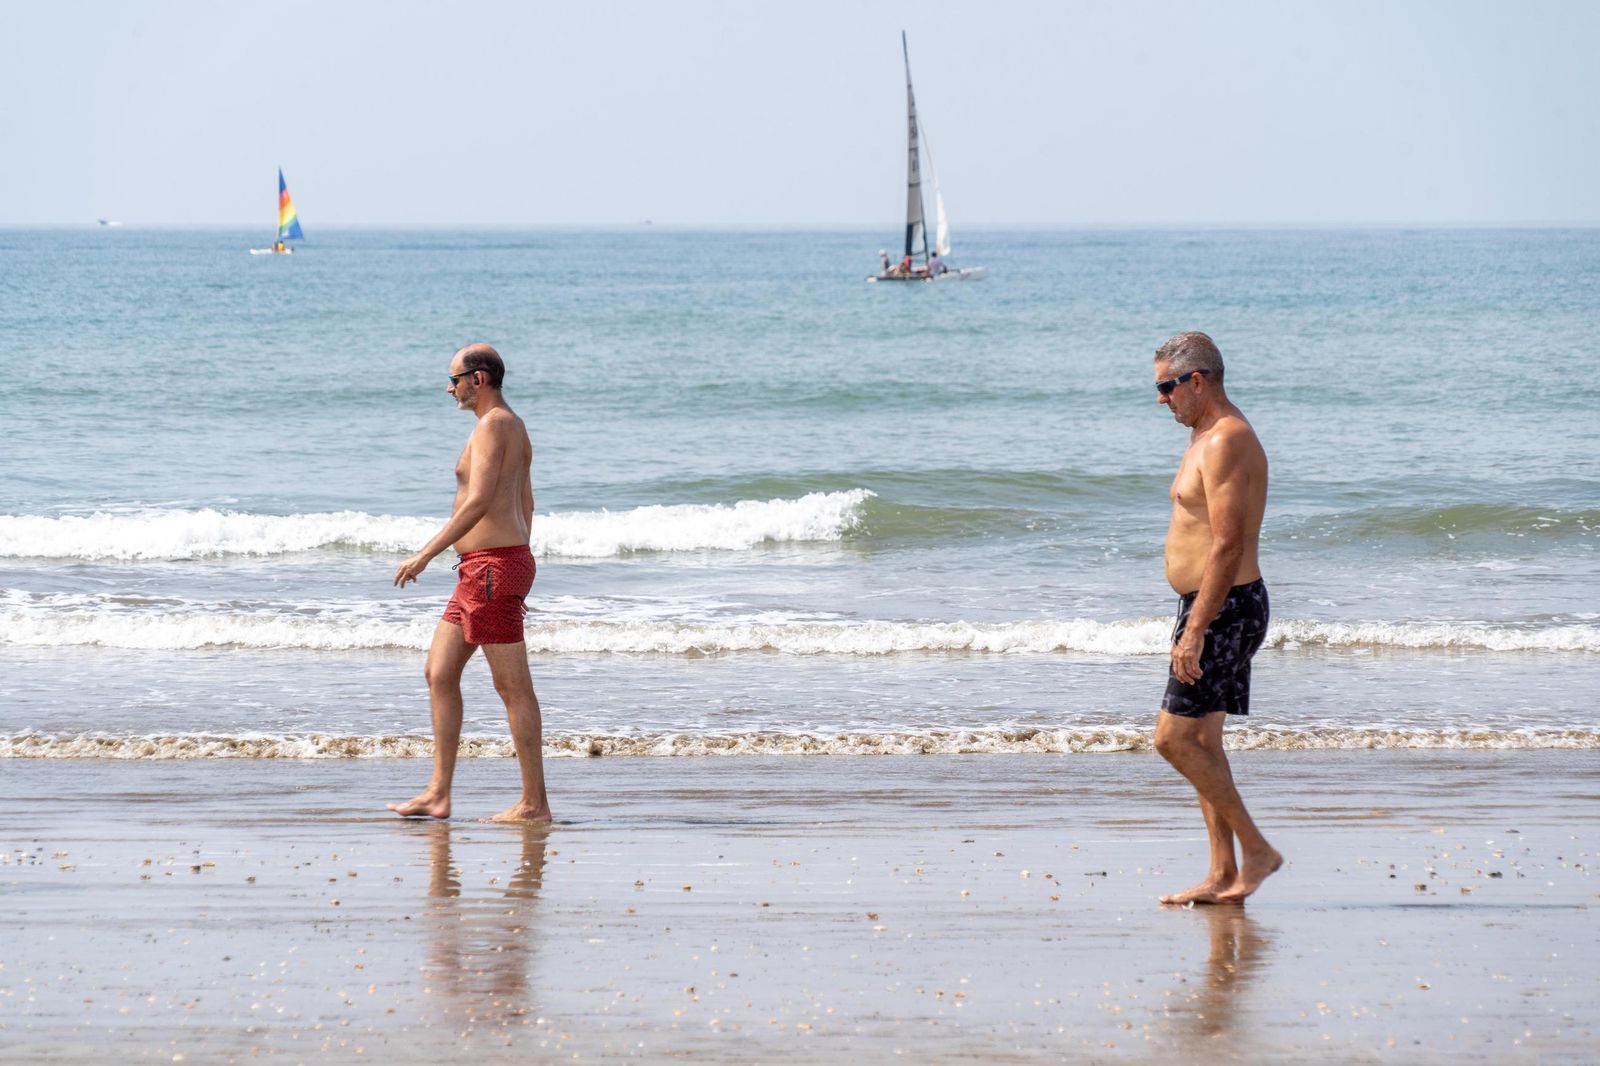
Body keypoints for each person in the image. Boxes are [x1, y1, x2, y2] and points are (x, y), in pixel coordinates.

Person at [388, 343, 550, 824]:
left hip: (491, 568)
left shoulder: (495, 426)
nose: (449, 387)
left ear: (478, 380)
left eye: (454, 379)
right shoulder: (512, 427)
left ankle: (534, 804)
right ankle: (438, 793)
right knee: (439, 672)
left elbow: (477, 501)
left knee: (512, 687)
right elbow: (528, 504)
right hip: (487, 567)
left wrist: (425, 554)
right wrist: (519, 557)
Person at [1150, 331, 1280, 904]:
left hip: (1222, 605)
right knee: (1202, 740)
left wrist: (1197, 628)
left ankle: (1256, 851)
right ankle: (1223, 872)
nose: (1161, 400)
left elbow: (1226, 546)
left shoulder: (1226, 439)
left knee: (1173, 740)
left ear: (1196, 381)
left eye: (1166, 387)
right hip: (1212, 603)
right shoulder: (1205, 435)